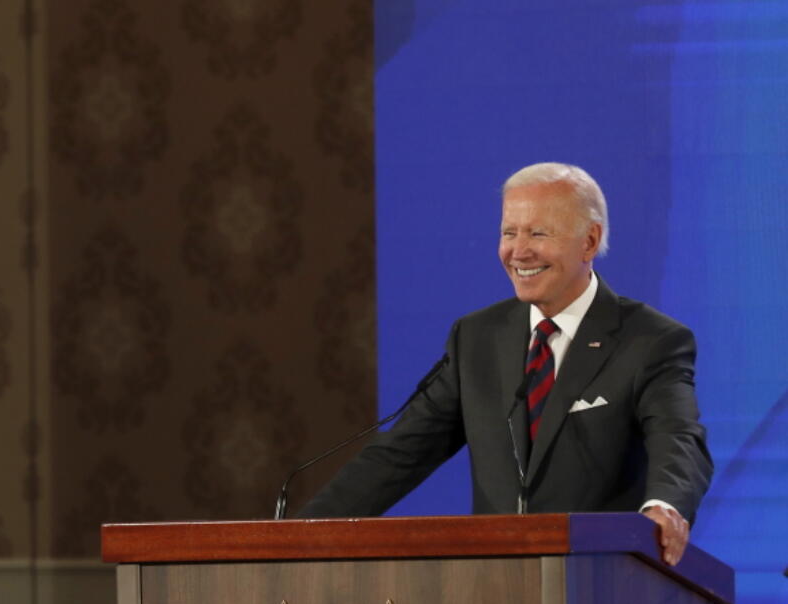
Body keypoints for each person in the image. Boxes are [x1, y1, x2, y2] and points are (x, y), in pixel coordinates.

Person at [301, 162, 712, 566]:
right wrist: (297, 536)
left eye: (538, 233)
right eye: (508, 233)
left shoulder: (651, 341)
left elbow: (679, 439)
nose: (518, 251)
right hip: (495, 592)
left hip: (604, 587)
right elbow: (400, 455)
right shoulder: (477, 338)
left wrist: (664, 506)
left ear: (589, 241)